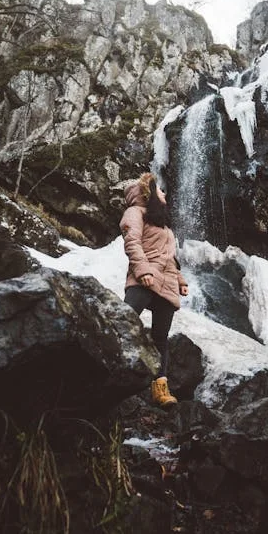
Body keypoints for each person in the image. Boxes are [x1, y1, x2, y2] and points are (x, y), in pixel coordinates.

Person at [120, 172, 189, 407]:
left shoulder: (161, 222)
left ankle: (160, 391)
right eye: (160, 190)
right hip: (145, 277)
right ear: (147, 193)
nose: (164, 193)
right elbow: (132, 243)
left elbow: (169, 258)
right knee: (124, 319)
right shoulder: (135, 212)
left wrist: (180, 280)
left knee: (161, 338)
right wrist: (143, 271)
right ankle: (109, 367)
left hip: (167, 283)